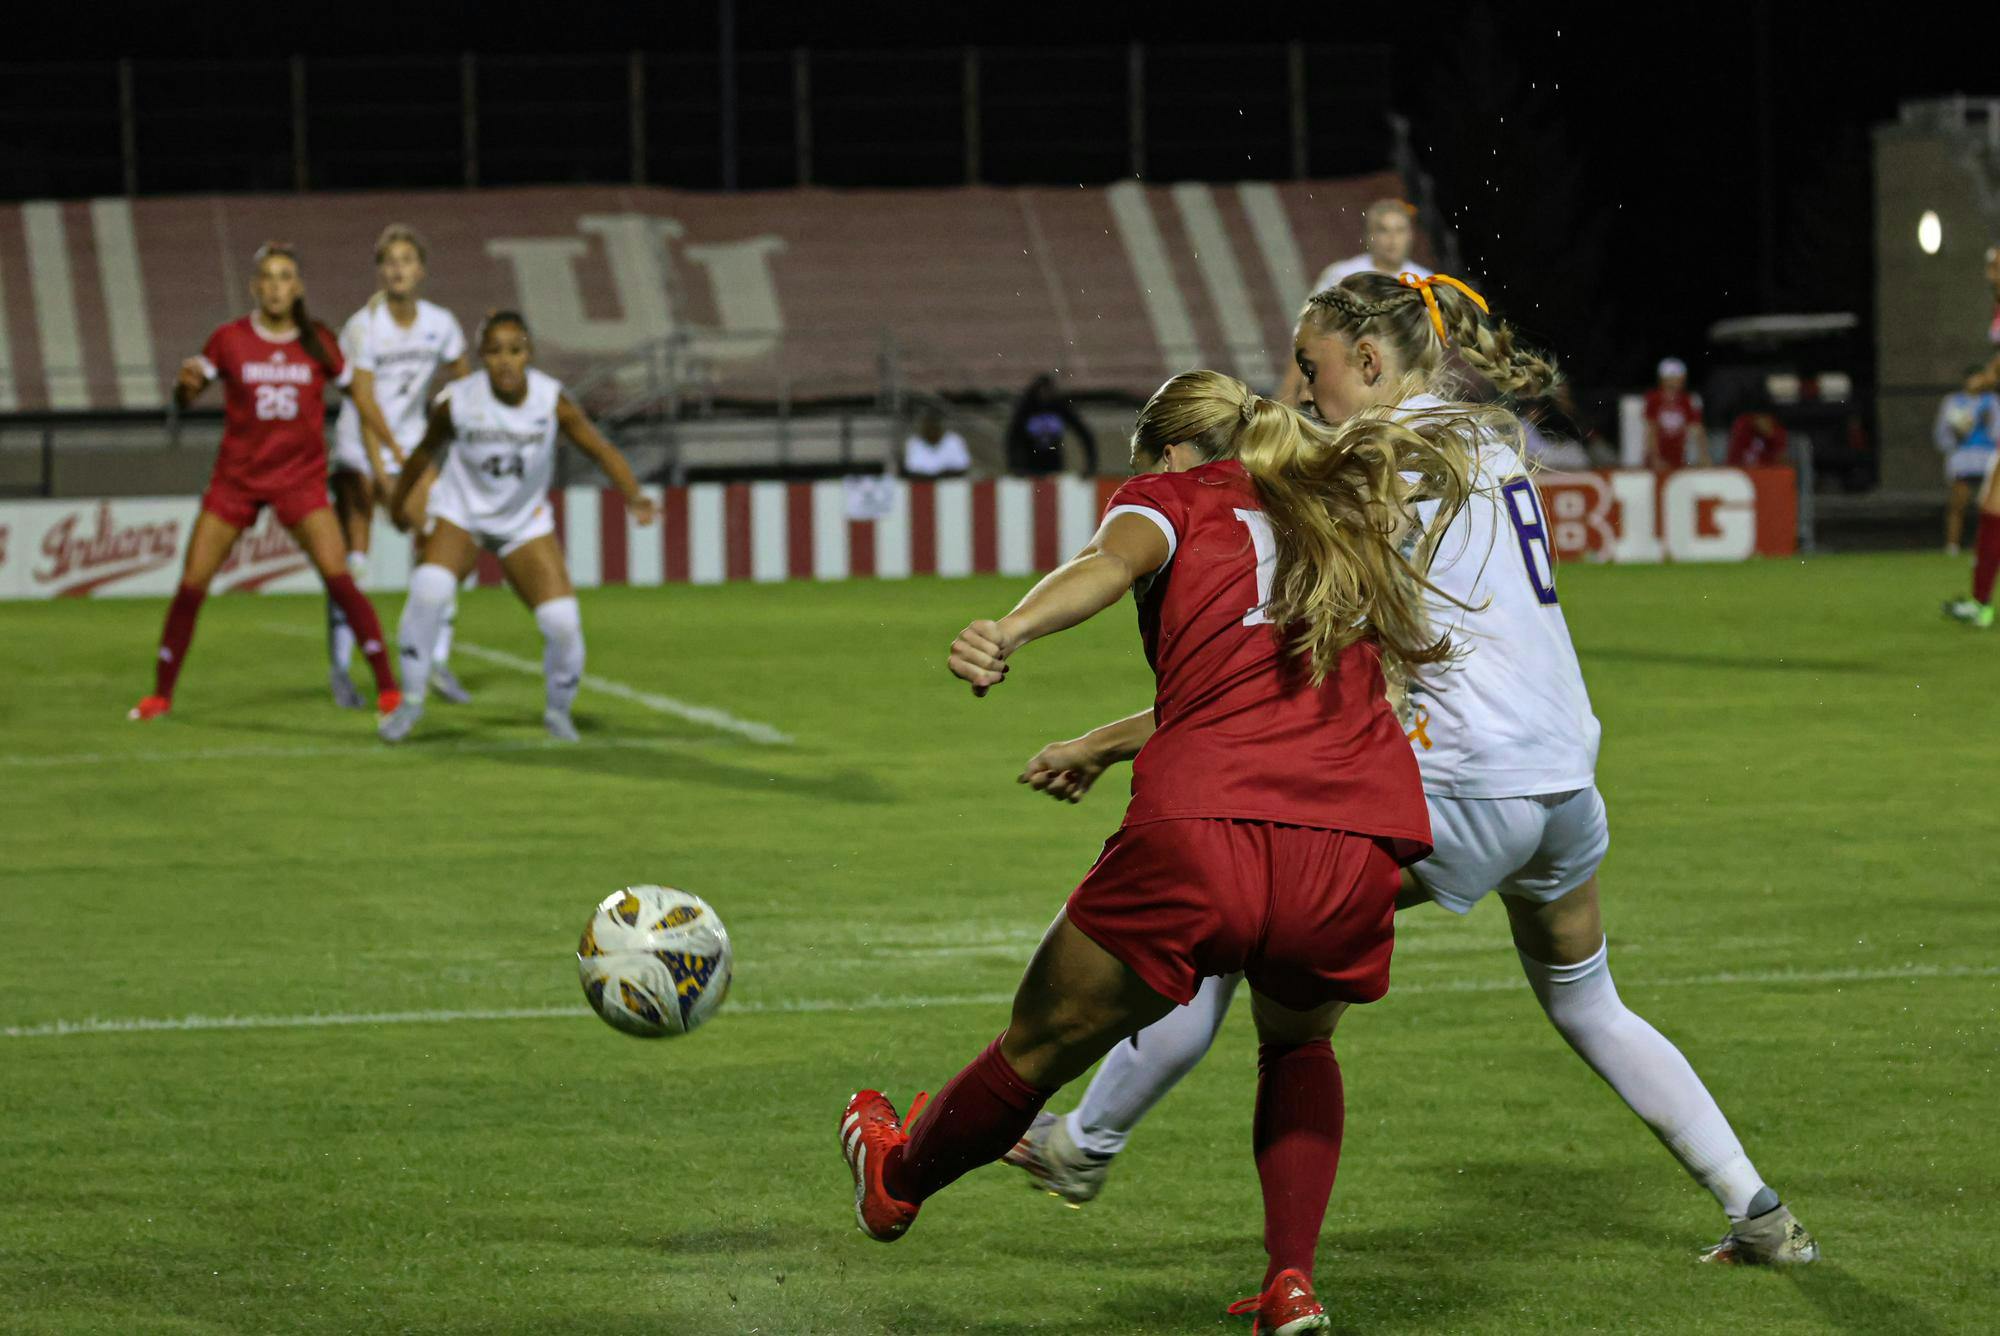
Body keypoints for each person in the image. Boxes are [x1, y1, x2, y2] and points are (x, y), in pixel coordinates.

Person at [1005, 271, 1820, 1270]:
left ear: (1370, 361)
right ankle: (1758, 1211)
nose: (1301, 394)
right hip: (1563, 777)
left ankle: (1080, 1144)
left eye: (1310, 370)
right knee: (1586, 999)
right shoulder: (1481, 434)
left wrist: (1100, 739)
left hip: (1461, 785)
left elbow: (1263, 677)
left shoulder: (1362, 463)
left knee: (1239, 916)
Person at [839, 368, 1481, 1334]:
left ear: (1171, 452)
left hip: (1204, 827)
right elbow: (1263, 686)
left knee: (1041, 1042)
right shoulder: (1329, 509)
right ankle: (1290, 1281)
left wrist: (1008, 629)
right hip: (1353, 836)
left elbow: (1106, 564)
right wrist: (1099, 743)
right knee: (1299, 1044)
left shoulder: (1172, 495)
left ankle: (896, 1177)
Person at [129, 243, 402, 723]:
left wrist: (389, 451)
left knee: (340, 580)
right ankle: (160, 696)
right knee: (192, 584)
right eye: (269, 277)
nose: (277, 286)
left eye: (285, 277)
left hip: (300, 481)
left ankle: (388, 690)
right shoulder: (230, 339)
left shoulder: (319, 341)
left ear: (297, 287)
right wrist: (184, 386)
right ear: (255, 287)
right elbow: (188, 393)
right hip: (236, 480)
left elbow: (359, 395)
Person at [379, 312, 658, 743]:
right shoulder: (458, 401)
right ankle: (410, 705)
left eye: (515, 350)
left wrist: (633, 494)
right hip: (461, 514)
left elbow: (599, 449)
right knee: (429, 589)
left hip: (522, 523)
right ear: (482, 357)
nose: (505, 361)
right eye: (494, 351)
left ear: (529, 354)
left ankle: (558, 713)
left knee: (562, 623)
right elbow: (421, 455)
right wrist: (399, 505)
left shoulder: (551, 401)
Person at [327, 224, 471, 709]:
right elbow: (364, 405)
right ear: (380, 271)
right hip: (358, 444)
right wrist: (384, 472)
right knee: (356, 559)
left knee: (441, 544)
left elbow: (463, 385)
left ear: (421, 270)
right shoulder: (363, 326)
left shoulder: (442, 323)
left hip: (410, 445)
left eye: (407, 259)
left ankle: (435, 660)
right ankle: (343, 670)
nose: (398, 269)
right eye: (390, 261)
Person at [1933, 368, 1999, 555]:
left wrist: (1989, 424)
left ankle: (1987, 545)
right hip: (1963, 456)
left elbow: (1997, 431)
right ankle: (1952, 545)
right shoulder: (1953, 402)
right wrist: (1955, 436)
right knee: (1958, 503)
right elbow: (1942, 433)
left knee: (1988, 505)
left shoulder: (1992, 401)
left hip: (1987, 456)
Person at [1308, 197, 1433, 293]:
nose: (1392, 238)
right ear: (1369, 236)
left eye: (1400, 230)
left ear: (1411, 235)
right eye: (1383, 230)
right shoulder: (1342, 276)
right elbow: (1312, 322)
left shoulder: (1425, 282)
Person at [1004, 373, 1097, 475]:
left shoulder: (1059, 406)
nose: (1045, 395)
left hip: (1054, 461)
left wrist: (1090, 463)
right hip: (1029, 462)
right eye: (1042, 392)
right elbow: (1012, 436)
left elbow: (1083, 432)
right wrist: (1014, 464)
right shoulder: (1027, 407)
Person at [1643, 357, 1707, 469]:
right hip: (1657, 459)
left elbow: (1696, 428)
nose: (1676, 382)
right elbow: (1651, 430)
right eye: (1672, 378)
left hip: (1678, 457)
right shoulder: (1655, 399)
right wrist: (1655, 458)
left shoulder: (1685, 400)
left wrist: (1703, 455)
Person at [899, 406, 971, 479]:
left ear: (940, 425)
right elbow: (910, 470)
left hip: (950, 485)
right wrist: (931, 477)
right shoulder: (913, 442)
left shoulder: (954, 440)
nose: (931, 428)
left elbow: (962, 468)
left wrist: (941, 476)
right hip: (923, 486)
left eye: (934, 424)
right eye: (928, 424)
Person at [1726, 409, 1791, 470]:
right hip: (1743, 473)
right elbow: (1733, 459)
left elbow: (1784, 463)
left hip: (1767, 474)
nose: (1761, 422)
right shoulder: (1743, 427)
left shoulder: (1778, 432)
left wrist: (1772, 437)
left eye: (1765, 418)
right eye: (1758, 418)